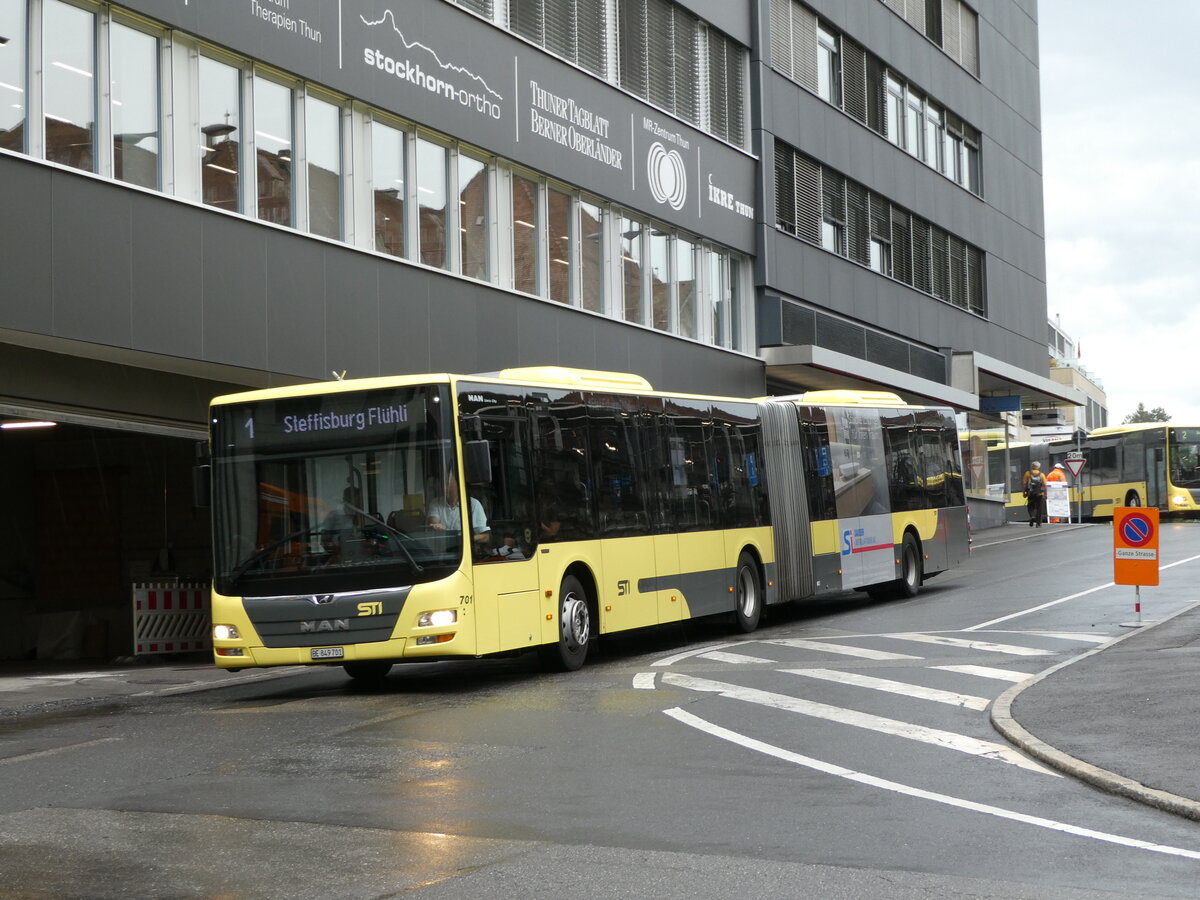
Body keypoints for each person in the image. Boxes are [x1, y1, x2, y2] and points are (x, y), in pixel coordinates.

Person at [427, 470, 490, 546]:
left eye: (447, 483)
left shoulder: (473, 504)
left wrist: (464, 539)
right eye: (442, 483)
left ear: (458, 483)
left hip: (464, 549)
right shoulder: (435, 502)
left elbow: (486, 537)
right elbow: (433, 521)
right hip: (441, 550)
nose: (444, 486)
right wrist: (436, 525)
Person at [1022, 460, 1047, 527]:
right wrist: (1045, 494)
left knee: (1030, 506)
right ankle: (1038, 524)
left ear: (1032, 466)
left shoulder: (1027, 473)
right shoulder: (1042, 475)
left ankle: (1032, 516)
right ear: (1038, 467)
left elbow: (1024, 484)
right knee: (1039, 508)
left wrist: (1024, 492)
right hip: (1039, 494)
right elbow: (1045, 485)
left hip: (1031, 493)